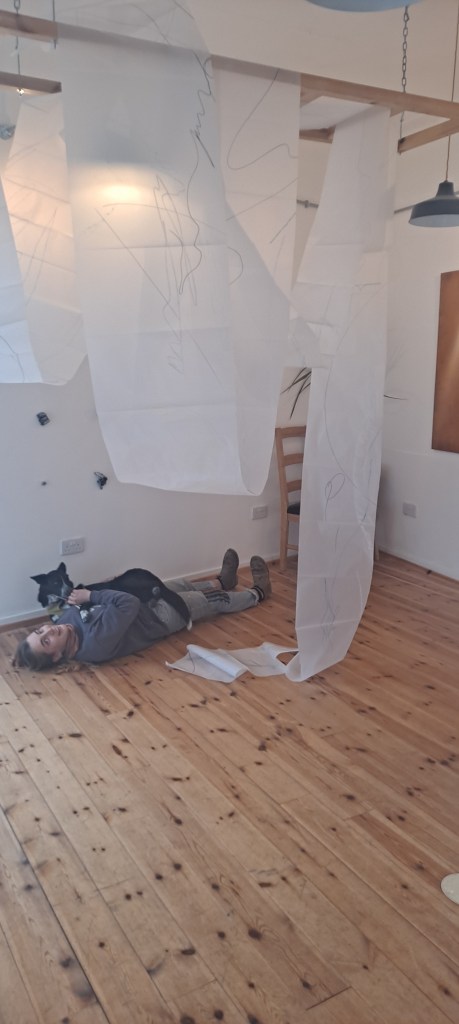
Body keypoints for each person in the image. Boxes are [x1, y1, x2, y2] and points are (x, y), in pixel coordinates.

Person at [13, 549, 272, 671]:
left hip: (143, 600)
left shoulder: (64, 623)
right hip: (157, 617)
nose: (48, 630)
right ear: (56, 656)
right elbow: (128, 604)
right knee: (212, 600)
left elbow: (100, 600)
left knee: (182, 584)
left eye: (40, 631)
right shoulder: (95, 643)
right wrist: (92, 595)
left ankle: (225, 580)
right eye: (45, 641)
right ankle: (257, 593)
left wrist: (106, 586)